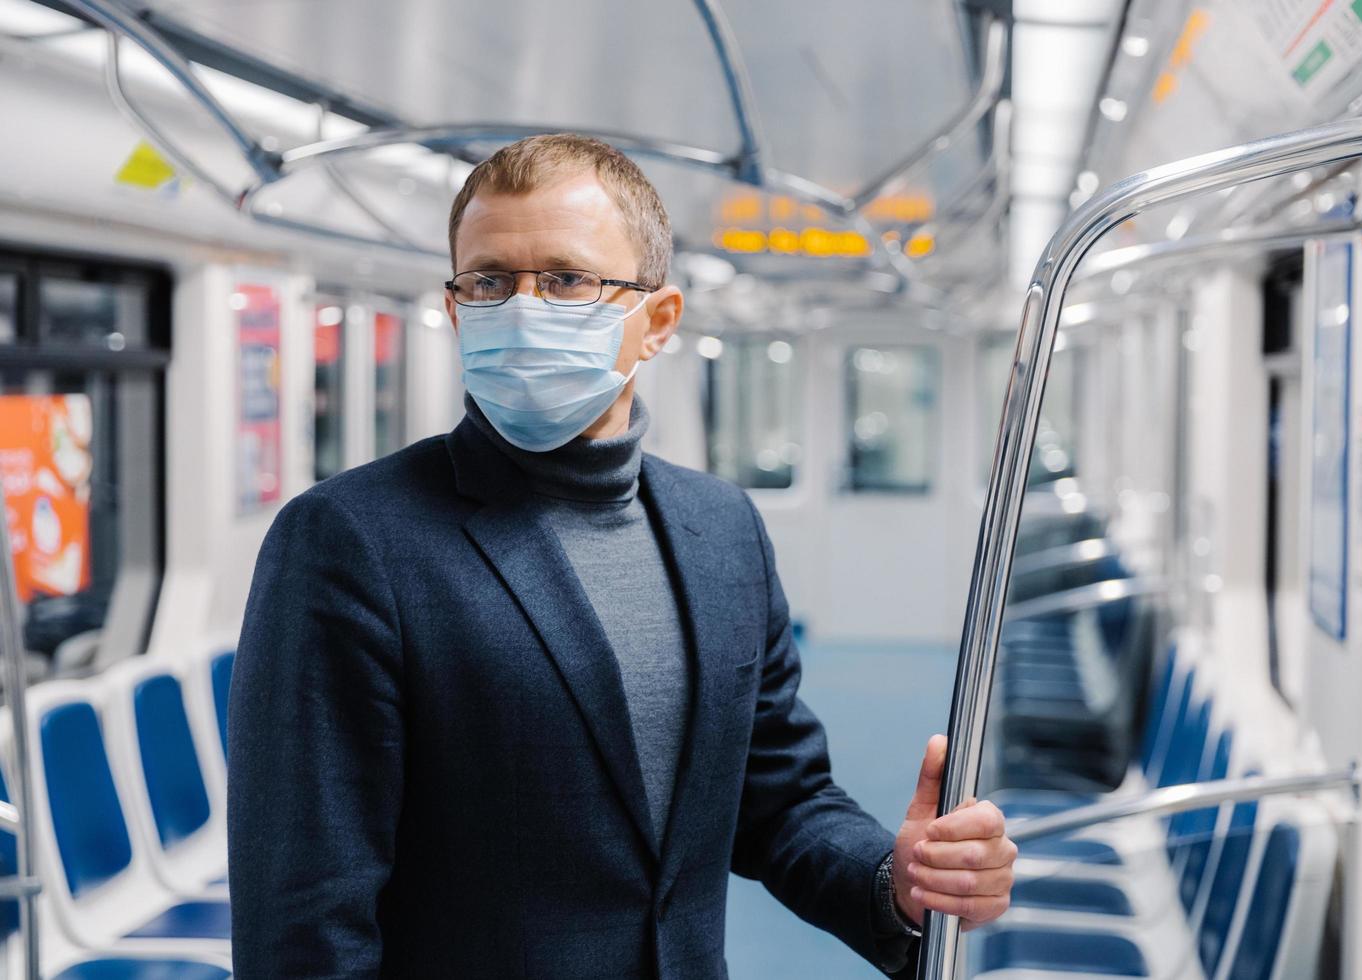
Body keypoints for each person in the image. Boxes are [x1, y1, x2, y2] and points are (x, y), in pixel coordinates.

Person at [228, 133, 1016, 979]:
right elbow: (305, 925)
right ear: (455, 308)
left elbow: (777, 798)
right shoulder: (351, 542)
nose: (522, 309)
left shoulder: (722, 530)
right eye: (490, 280)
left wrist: (895, 879)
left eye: (567, 279)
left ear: (658, 322)